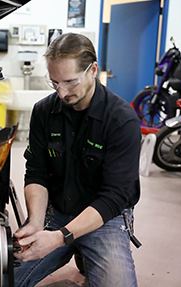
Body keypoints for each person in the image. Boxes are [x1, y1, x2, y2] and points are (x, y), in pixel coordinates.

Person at [13, 33, 141, 287]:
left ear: (93, 70)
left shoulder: (121, 120)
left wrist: (61, 237)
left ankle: (84, 249)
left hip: (105, 218)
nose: (61, 93)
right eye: (54, 83)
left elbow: (115, 196)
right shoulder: (43, 111)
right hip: (56, 212)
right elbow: (36, 172)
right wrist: (37, 221)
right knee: (2, 279)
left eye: (70, 82)